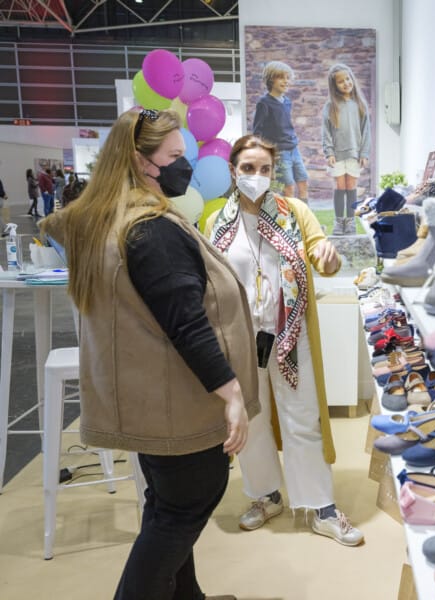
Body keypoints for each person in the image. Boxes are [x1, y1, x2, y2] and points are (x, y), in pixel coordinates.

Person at [40, 108, 259, 600]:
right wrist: (231, 395)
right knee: (183, 510)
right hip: (178, 406)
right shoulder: (151, 231)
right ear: (143, 162)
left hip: (153, 404)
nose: (187, 165)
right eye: (176, 155)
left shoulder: (110, 221)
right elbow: (187, 324)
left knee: (166, 506)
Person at [206, 134, 365, 547]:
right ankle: (266, 496)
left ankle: (321, 506)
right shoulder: (217, 222)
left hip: (290, 334)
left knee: (303, 417)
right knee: (251, 418)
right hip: (241, 339)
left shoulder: (294, 212)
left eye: (265, 169)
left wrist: (329, 255)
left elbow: (321, 254)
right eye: (248, 168)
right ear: (233, 171)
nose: (257, 176)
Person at [322, 63, 371, 236]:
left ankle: (350, 222)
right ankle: (338, 222)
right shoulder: (330, 106)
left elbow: (366, 131)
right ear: (334, 85)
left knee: (351, 187)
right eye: (340, 81)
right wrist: (329, 152)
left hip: (354, 154)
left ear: (352, 79)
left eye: (347, 79)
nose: (346, 83)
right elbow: (326, 131)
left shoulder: (360, 104)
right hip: (336, 155)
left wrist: (364, 153)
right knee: (339, 187)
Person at [252, 61, 309, 202]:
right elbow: (257, 132)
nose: (286, 81)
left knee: (303, 182)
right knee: (289, 188)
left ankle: (304, 215)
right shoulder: (264, 103)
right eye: (281, 77)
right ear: (271, 79)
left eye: (287, 78)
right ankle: (289, 216)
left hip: (294, 150)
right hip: (280, 152)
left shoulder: (287, 102)